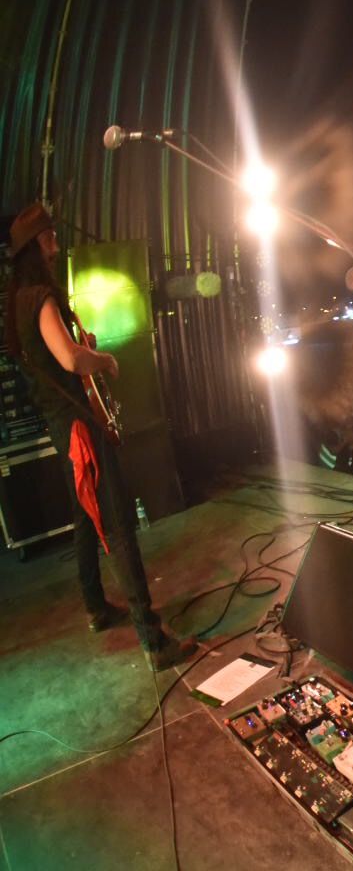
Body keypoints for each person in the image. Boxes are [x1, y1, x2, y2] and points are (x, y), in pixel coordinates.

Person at [4, 204, 195, 669]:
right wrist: (103, 360)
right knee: (116, 520)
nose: (56, 243)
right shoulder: (40, 298)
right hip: (76, 426)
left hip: (60, 422)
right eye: (49, 237)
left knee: (83, 515)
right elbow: (69, 360)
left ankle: (94, 606)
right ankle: (154, 641)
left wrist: (79, 348)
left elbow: (54, 359)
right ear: (36, 245)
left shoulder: (17, 301)